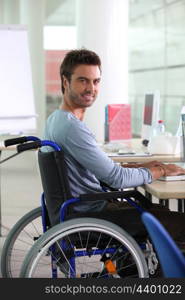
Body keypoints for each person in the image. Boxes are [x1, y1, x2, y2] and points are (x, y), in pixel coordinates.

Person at [43, 48, 185, 245]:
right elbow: (116, 179)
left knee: (162, 212)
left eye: (96, 81)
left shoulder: (55, 120)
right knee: (178, 222)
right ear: (66, 82)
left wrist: (140, 167)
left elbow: (99, 170)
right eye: (83, 80)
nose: (91, 88)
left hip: (82, 208)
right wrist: (160, 170)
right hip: (92, 215)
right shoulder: (70, 127)